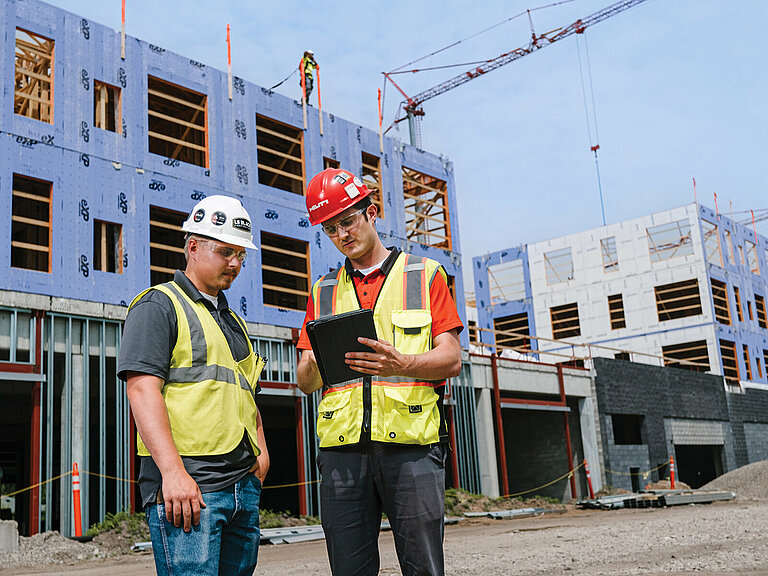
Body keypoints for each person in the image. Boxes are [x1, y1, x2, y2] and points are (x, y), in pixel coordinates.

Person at [297, 168, 463, 576]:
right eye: (331, 229)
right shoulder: (322, 290)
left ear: (371, 213)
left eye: (348, 221)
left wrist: (403, 363)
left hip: (411, 449)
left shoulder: (424, 275)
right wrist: (316, 361)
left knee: (423, 567)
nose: (342, 235)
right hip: (342, 452)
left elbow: (453, 358)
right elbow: (304, 383)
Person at [118, 195, 268, 576]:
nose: (234, 263)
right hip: (190, 490)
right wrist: (172, 472)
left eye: (241, 255)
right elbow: (141, 390)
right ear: (193, 246)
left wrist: (261, 455)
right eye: (225, 252)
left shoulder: (233, 321)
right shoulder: (159, 305)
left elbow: (246, 395)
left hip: (242, 487)